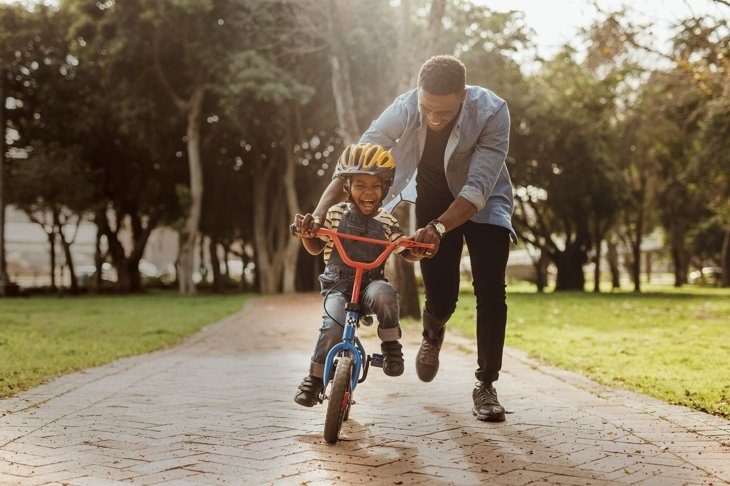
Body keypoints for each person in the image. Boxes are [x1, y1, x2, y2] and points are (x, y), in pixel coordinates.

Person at [299, 55, 514, 421]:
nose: (433, 118)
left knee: (490, 288)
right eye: (427, 109)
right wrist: (319, 213)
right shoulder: (405, 107)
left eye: (443, 113)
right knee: (442, 297)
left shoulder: (493, 112)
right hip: (433, 197)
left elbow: (477, 187)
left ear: (463, 95)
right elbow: (356, 161)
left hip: (485, 200)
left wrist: (440, 229)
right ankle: (433, 333)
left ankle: (486, 384)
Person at [292, 143, 424, 408]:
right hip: (338, 286)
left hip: (370, 285)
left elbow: (402, 248)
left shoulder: (387, 221)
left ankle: (390, 347)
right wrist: (308, 235)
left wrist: (417, 250)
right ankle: (314, 379)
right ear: (347, 188)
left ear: (385, 188)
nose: (368, 192)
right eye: (360, 185)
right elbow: (316, 246)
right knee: (333, 325)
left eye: (376, 186)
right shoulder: (334, 214)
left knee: (386, 294)